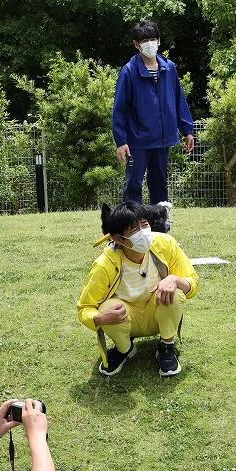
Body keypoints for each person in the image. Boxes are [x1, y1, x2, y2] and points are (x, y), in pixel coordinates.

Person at [77, 201, 197, 377]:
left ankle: (166, 346)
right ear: (118, 238)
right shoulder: (104, 264)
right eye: (134, 229)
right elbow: (84, 308)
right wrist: (100, 318)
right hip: (126, 319)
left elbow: (192, 283)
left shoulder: (166, 244)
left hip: (158, 314)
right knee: (107, 307)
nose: (144, 233)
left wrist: (174, 279)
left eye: (145, 224)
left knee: (174, 292)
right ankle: (124, 349)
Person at [112, 19, 196, 205]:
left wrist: (188, 130)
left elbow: (179, 100)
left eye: (152, 39)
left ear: (159, 40)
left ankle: (160, 229)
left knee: (160, 186)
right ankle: (131, 229)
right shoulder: (129, 71)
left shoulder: (169, 68)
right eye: (144, 40)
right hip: (137, 142)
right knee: (133, 186)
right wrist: (121, 141)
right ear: (136, 44)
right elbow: (120, 109)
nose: (149, 43)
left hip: (162, 140)